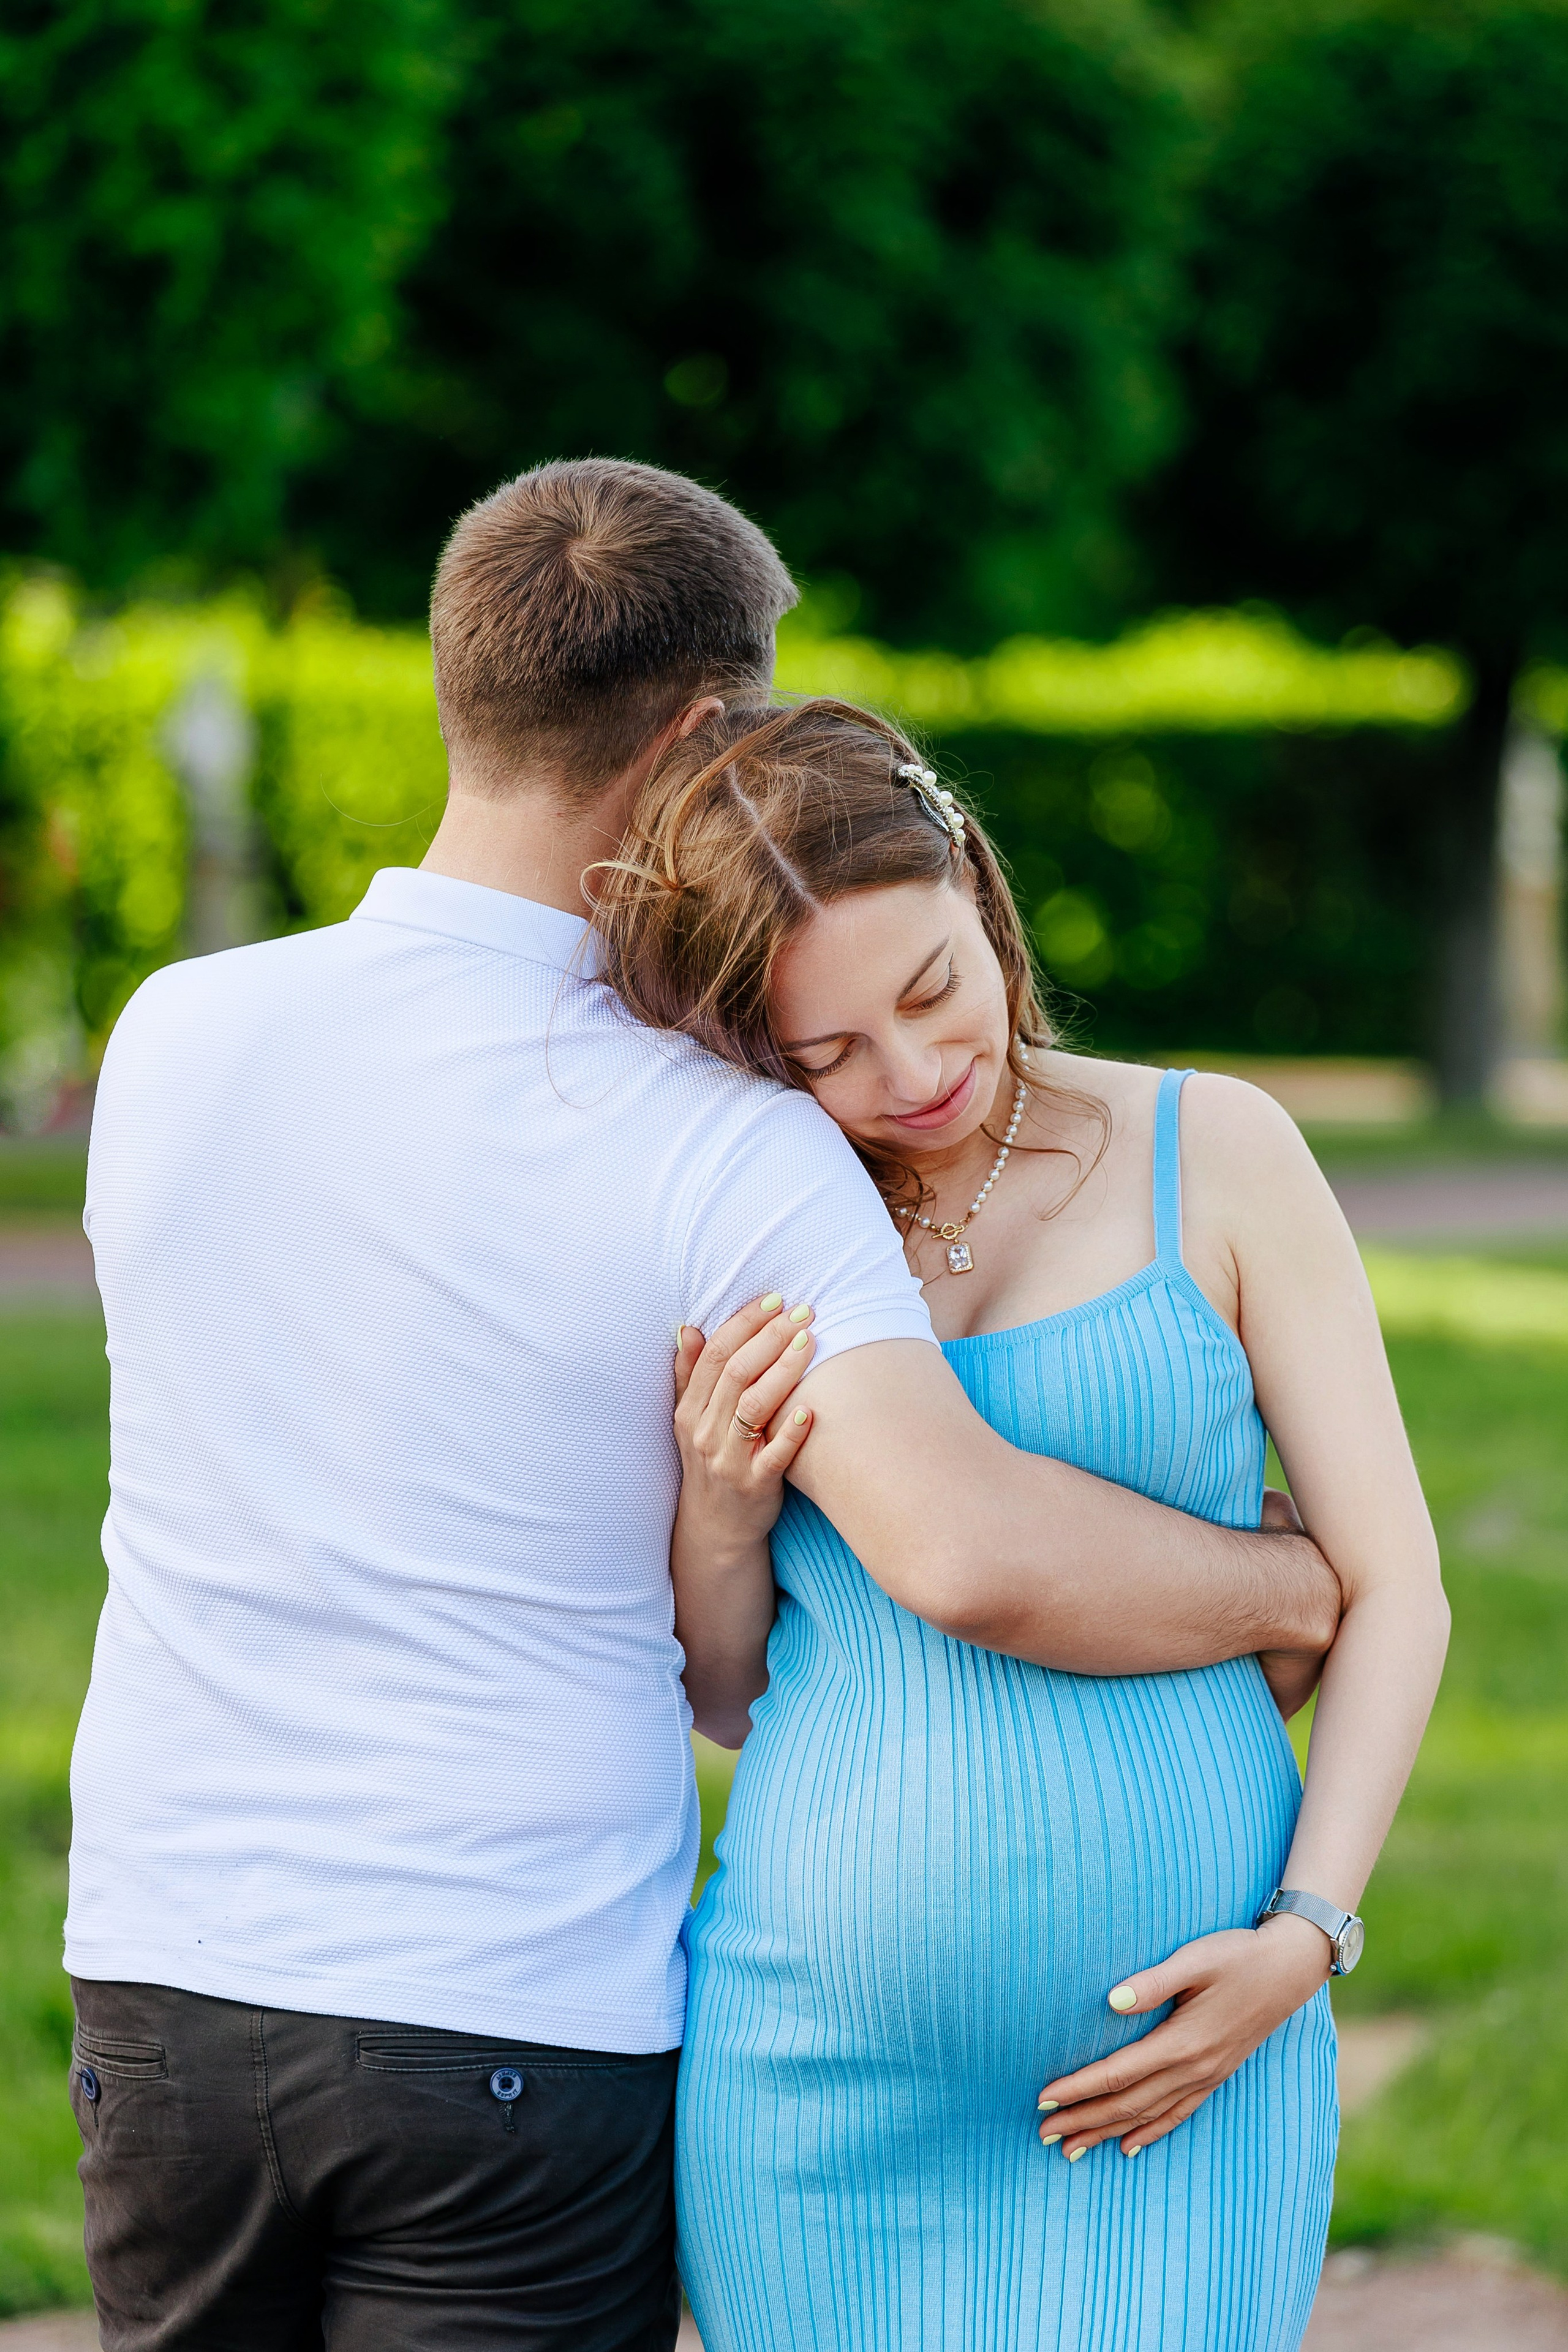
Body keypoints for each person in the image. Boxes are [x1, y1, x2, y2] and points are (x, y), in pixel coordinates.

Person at [68, 461, 1340, 2352]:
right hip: (506, 2010)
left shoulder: (177, 1033)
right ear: (690, 733)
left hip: (161, 1993)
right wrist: (1289, 1591)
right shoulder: (714, 1133)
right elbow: (968, 1545)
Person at [590, 698, 1450, 2352]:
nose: (910, 1077)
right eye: (825, 1052)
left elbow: (1397, 1590)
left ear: (980, 891)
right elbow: (723, 1692)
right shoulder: (762, 1211)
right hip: (816, 2081)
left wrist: (1309, 1935)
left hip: (1192, 2076)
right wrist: (716, 1512)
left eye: (932, 992)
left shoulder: (1219, 1152)